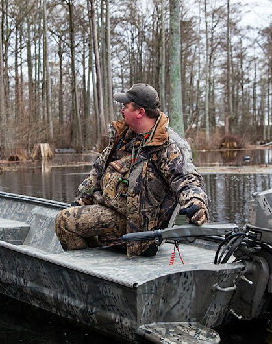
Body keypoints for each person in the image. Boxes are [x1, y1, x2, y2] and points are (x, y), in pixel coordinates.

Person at [54, 83, 210, 257]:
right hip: (110, 211)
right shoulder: (124, 137)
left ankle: (87, 269)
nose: (121, 111)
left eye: (125, 106)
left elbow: (188, 180)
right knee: (71, 214)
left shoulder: (168, 145)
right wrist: (82, 200)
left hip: (140, 226)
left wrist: (196, 203)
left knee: (64, 221)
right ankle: (94, 263)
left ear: (140, 112)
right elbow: (97, 172)